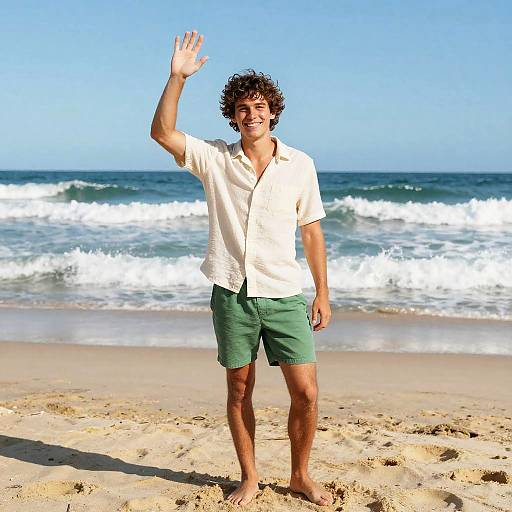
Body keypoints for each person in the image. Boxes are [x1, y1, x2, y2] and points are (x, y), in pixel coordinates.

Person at [150, 30, 333, 507]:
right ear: (232, 117)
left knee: (307, 392)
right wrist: (176, 78)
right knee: (239, 388)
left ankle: (299, 474)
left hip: (284, 292)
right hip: (231, 289)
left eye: (259, 107)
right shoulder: (214, 159)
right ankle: (250, 478)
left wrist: (322, 293)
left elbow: (312, 231)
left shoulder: (300, 165)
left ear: (272, 111)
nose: (251, 115)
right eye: (242, 109)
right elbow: (162, 133)